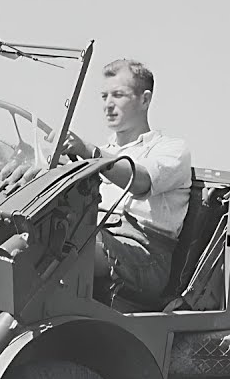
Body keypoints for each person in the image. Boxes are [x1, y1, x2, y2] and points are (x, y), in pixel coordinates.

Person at [59, 59, 193, 302]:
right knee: (40, 231)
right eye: (104, 96)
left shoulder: (170, 149)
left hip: (144, 256)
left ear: (144, 100)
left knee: (61, 244)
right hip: (98, 235)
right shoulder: (103, 151)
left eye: (118, 95)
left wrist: (89, 152)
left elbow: (140, 181)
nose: (108, 105)